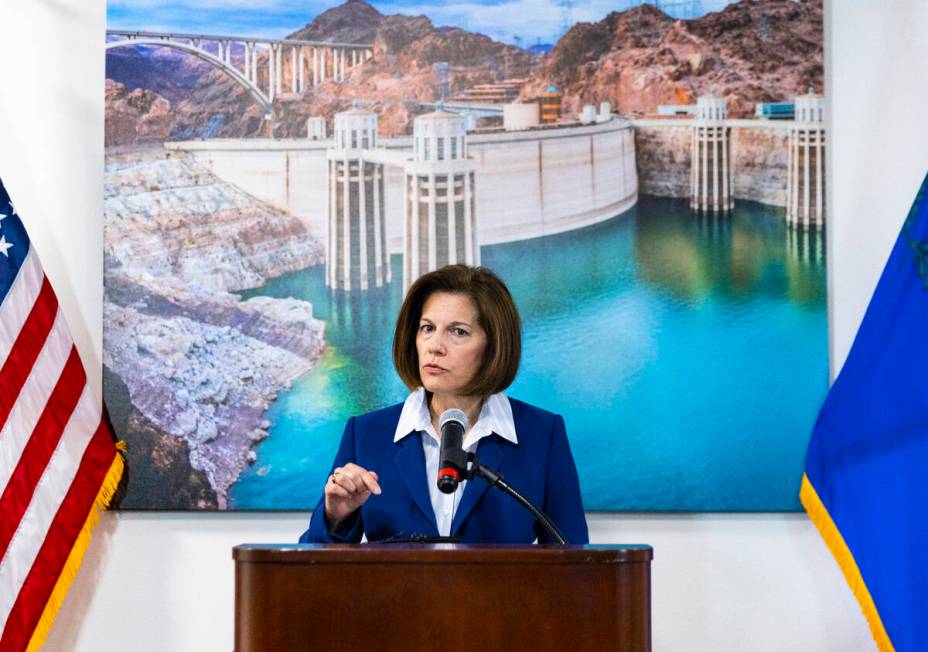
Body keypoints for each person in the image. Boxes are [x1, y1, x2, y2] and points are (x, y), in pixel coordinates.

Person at [299, 265, 588, 544]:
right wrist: (335, 515)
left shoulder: (541, 434)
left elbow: (575, 564)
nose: (434, 346)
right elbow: (310, 567)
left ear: (493, 345)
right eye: (427, 328)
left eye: (458, 332)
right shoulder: (365, 434)